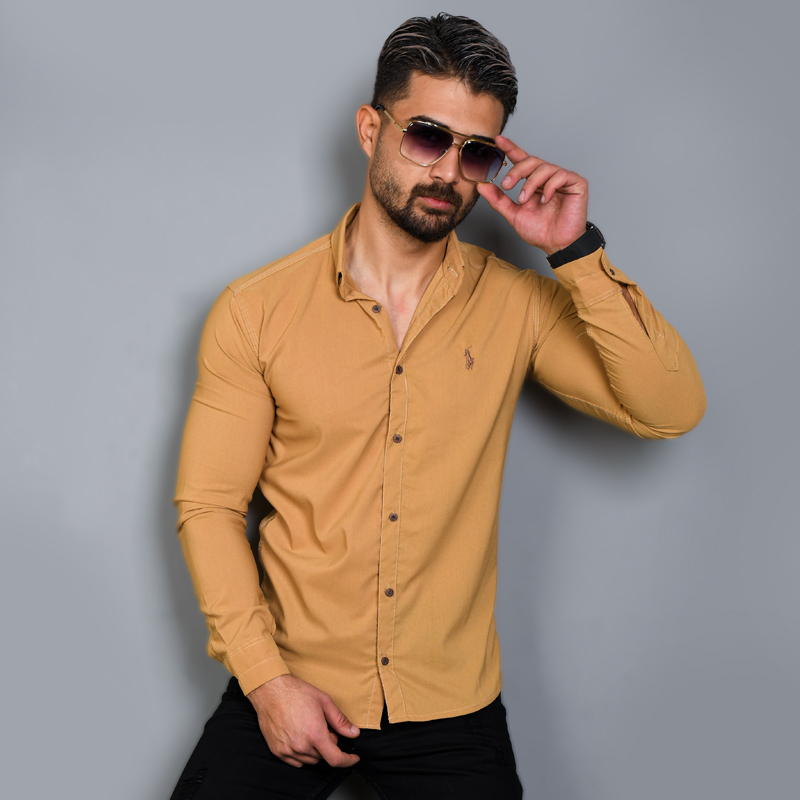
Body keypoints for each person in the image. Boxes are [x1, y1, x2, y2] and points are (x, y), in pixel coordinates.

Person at [170, 13, 705, 799]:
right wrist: (265, 680)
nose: (449, 172)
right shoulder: (256, 311)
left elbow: (671, 407)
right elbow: (211, 506)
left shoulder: (517, 305)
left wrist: (575, 252)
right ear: (371, 130)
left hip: (450, 705)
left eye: (476, 152)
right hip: (291, 680)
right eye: (427, 137)